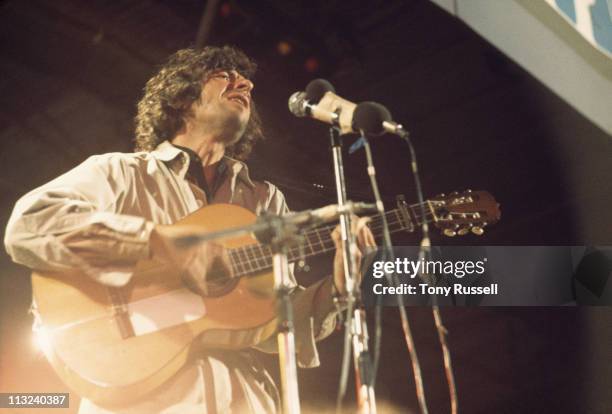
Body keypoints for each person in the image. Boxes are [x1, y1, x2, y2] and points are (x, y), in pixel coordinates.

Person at [4, 46, 375, 413]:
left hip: (245, 400)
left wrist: (340, 288)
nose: (244, 83)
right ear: (181, 97)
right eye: (225, 75)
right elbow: (29, 224)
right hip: (142, 399)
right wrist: (153, 240)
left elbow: (275, 325)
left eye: (245, 79)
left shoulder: (265, 201)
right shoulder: (121, 172)